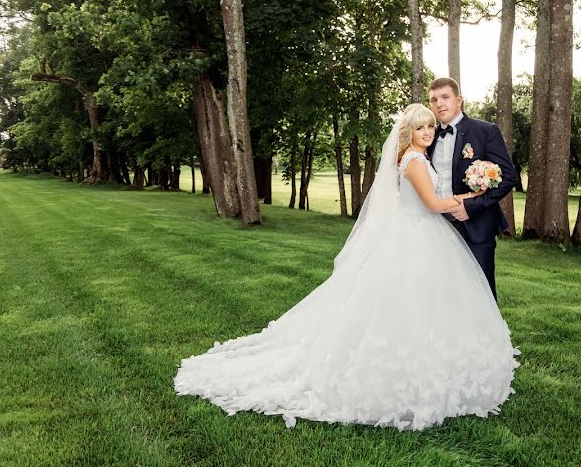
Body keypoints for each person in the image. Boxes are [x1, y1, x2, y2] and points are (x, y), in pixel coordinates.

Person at [175, 104, 519, 431]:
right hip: (419, 235)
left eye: (431, 126)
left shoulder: (414, 156)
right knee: (411, 302)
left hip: (419, 234)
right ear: (408, 131)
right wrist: (468, 199)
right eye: (421, 127)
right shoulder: (414, 159)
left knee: (424, 302)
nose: (428, 131)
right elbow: (431, 204)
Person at [428, 77, 518, 301]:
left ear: (459, 100)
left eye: (445, 97)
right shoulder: (428, 137)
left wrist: (471, 206)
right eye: (433, 100)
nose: (439, 104)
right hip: (436, 228)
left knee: (481, 296)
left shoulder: (485, 131)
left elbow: (509, 177)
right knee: (443, 295)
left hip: (476, 227)